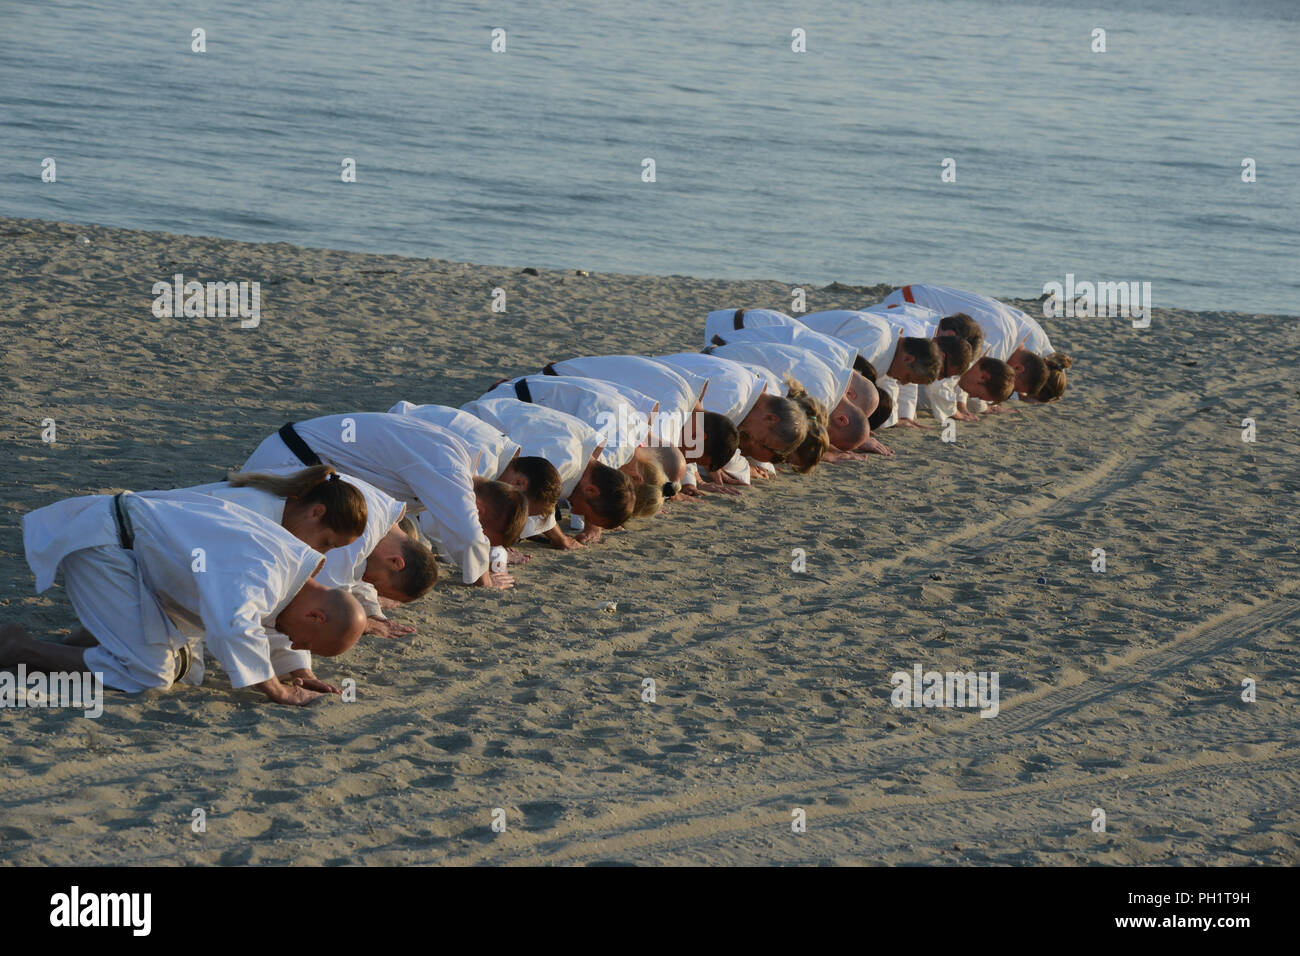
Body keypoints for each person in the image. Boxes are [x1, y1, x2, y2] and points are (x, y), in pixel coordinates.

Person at [4, 491, 365, 706]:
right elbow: (233, 628)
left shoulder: (288, 568)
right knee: (149, 675)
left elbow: (250, 622)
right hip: (106, 544)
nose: (293, 642)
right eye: (304, 642)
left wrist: (296, 671)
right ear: (316, 616)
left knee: (187, 670)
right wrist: (276, 690)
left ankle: (96, 643)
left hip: (132, 558)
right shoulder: (269, 569)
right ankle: (17, 649)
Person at [241, 413, 524, 588]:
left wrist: (483, 561)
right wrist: (482, 579)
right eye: (488, 532)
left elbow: (445, 529)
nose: (484, 538)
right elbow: (466, 532)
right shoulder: (450, 468)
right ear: (479, 509)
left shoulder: (454, 468)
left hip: (304, 465)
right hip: (290, 463)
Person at [460, 394, 636, 547]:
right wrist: (559, 539)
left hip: (485, 412)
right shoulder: (564, 463)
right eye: (585, 514)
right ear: (591, 490)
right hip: (471, 430)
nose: (574, 513)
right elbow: (524, 497)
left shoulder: (584, 448)